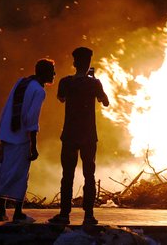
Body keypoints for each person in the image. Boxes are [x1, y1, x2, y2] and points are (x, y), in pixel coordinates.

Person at [0, 59, 56, 223]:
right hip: (20, 138)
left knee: (4, 172)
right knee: (19, 175)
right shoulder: (39, 91)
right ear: (44, 73)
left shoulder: (22, 82)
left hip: (7, 134)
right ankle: (18, 212)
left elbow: (7, 107)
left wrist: (3, 131)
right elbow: (31, 119)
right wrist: (34, 145)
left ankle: (2, 211)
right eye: (52, 71)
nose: (54, 74)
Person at [48, 47, 109, 226]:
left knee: (67, 175)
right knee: (89, 175)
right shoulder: (94, 83)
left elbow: (61, 98)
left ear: (74, 63)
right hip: (89, 135)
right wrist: (92, 79)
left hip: (69, 134)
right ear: (89, 63)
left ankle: (64, 214)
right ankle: (88, 215)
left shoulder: (66, 82)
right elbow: (105, 102)